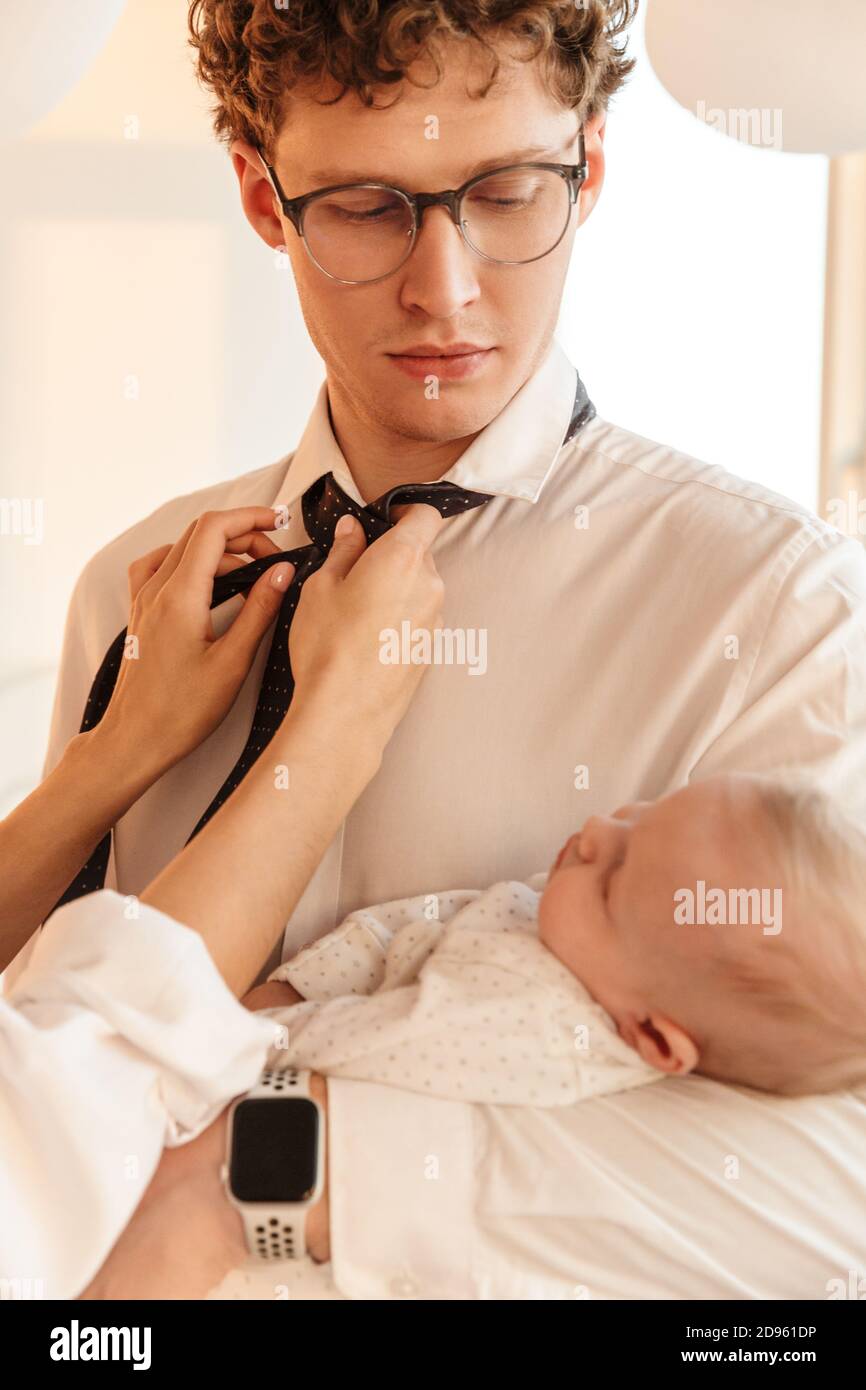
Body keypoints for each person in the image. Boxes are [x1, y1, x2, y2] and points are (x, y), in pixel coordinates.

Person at [12, 0, 866, 1300]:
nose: (444, 289)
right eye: (363, 206)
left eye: (510, 192)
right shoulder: (132, 597)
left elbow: (836, 1188)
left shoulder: (772, 606)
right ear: (260, 194)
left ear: (590, 168)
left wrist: (269, 1180)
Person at [0, 501, 446, 1297]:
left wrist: (115, 753)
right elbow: (69, 1105)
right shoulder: (114, 580)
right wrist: (338, 726)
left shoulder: (738, 578)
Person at [253, 773, 866, 1107]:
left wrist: (238, 1030)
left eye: (613, 879)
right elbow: (400, 938)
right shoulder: (597, 948)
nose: (599, 828)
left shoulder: (531, 1020)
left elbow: (359, 1047)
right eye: (644, 814)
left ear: (651, 1035)